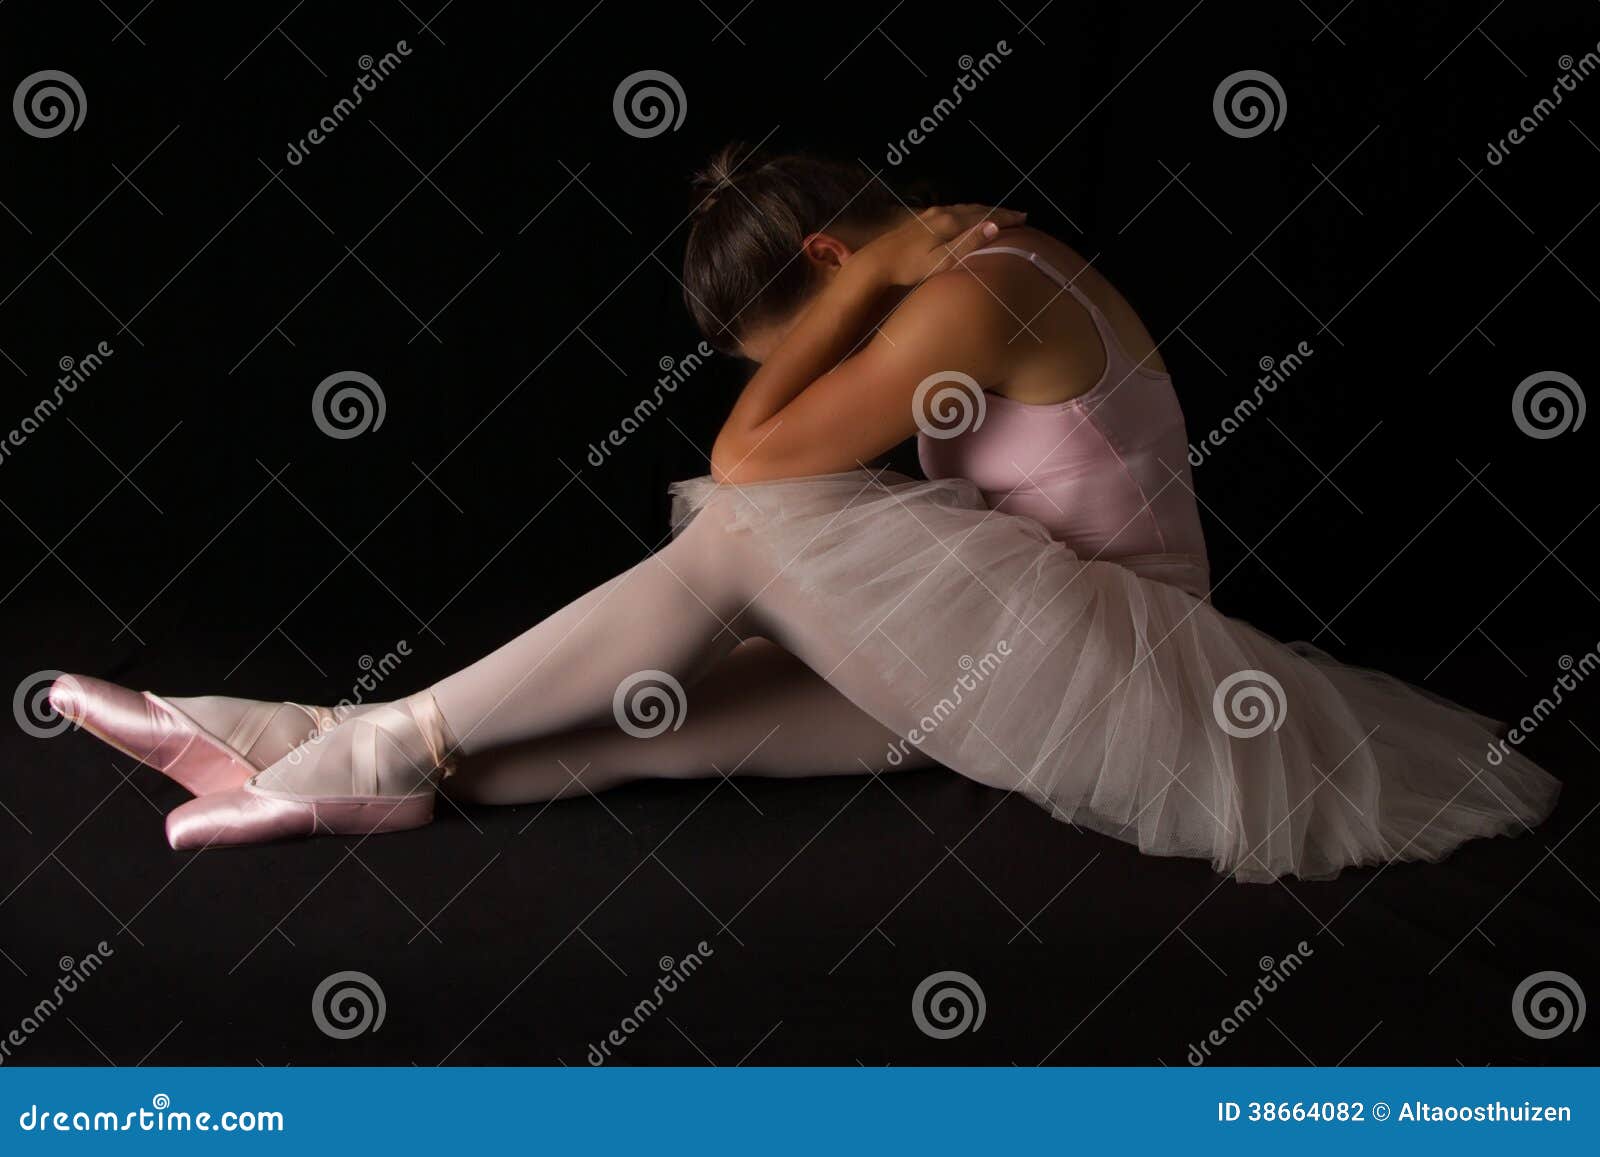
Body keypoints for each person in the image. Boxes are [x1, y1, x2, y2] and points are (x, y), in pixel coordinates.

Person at [49, 147, 1559, 882]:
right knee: (637, 722)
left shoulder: (973, 291)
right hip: (1009, 671)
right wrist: (857, 285)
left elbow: (753, 469)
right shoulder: (960, 271)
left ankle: (372, 734)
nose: (801, 367)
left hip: (1116, 672)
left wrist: (858, 289)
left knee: (752, 529)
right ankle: (326, 741)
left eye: (799, 329)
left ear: (838, 256)